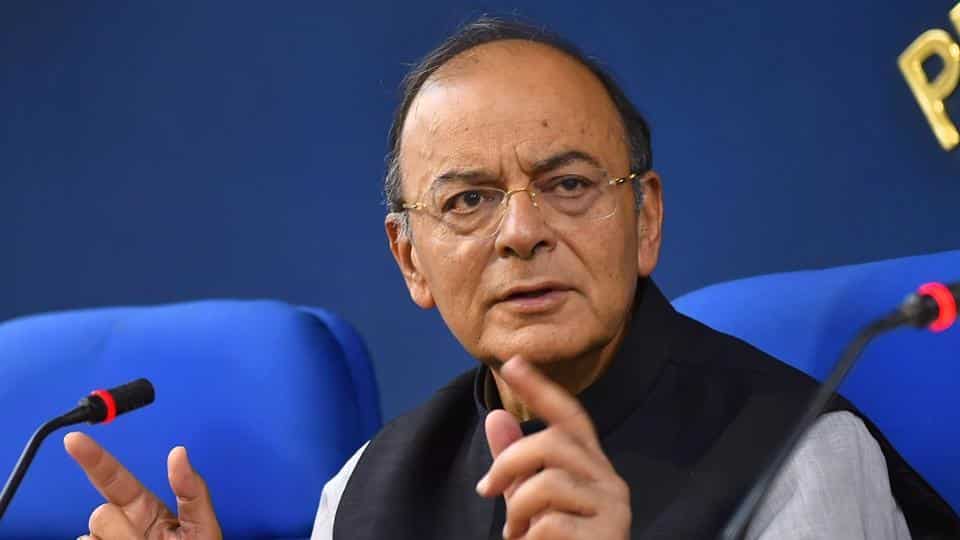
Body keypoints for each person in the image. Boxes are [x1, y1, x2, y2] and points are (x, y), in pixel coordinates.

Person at [66, 17, 959, 540]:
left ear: (645, 219)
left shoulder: (799, 459)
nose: (522, 233)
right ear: (410, 260)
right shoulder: (363, 490)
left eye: (568, 185)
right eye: (468, 201)